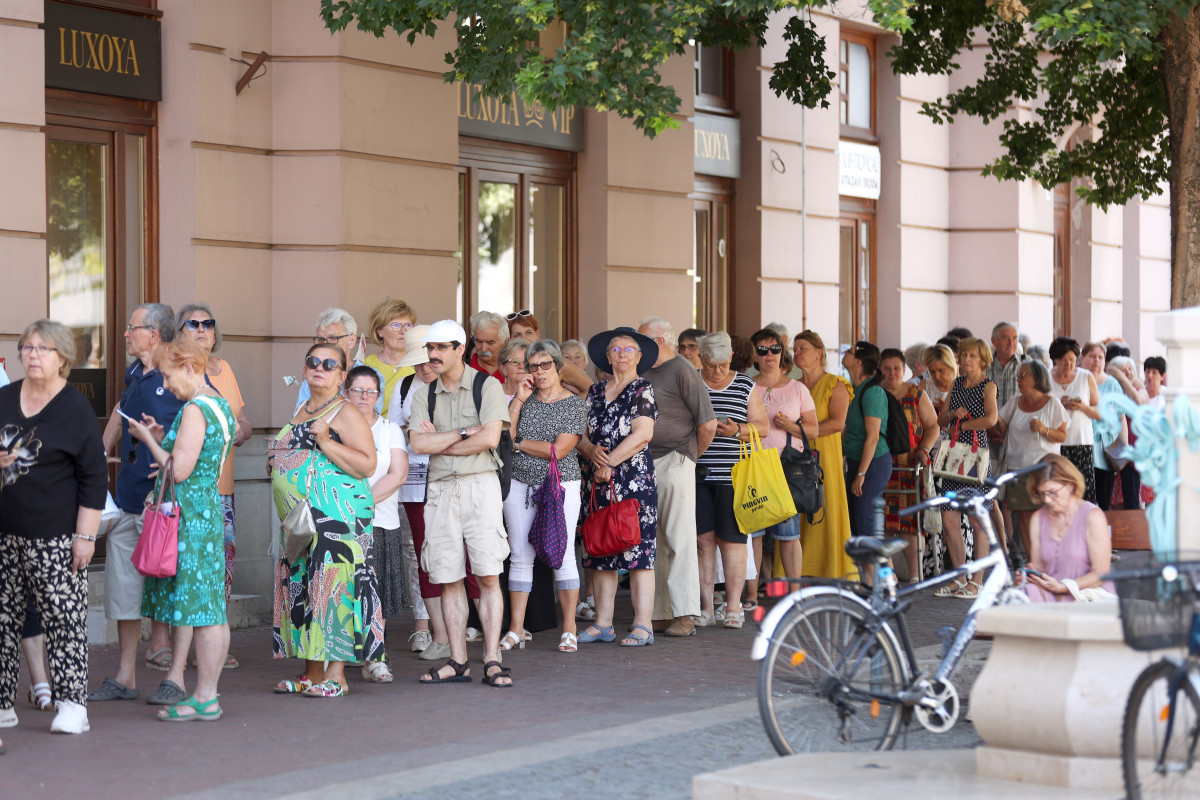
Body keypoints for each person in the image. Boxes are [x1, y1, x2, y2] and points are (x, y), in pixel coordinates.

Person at [0, 320, 106, 738]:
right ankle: (3, 703)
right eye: (27, 347)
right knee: (3, 620)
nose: (33, 355)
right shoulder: (4, 398)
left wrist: (85, 537)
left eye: (43, 349)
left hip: (56, 536)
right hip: (5, 533)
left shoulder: (75, 409)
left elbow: (94, 478)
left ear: (63, 358)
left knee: (64, 620)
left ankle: (72, 704)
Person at [127, 341, 236, 721]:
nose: (167, 385)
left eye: (170, 375)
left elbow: (178, 470)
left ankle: (205, 697)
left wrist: (148, 440)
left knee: (201, 611)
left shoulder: (194, 408)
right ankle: (208, 693)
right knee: (213, 610)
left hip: (188, 518)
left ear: (189, 367)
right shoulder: (220, 405)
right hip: (206, 513)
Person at [267, 343, 381, 698]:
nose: (319, 368)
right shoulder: (302, 407)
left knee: (334, 590)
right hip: (303, 521)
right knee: (307, 587)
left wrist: (327, 442)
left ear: (342, 375)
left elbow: (367, 463)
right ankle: (311, 673)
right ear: (304, 369)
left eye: (329, 364)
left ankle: (338, 676)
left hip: (338, 518)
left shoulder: (345, 412)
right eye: (313, 362)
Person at [408, 320, 513, 687]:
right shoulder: (423, 393)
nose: (432, 355)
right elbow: (419, 445)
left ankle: (492, 658)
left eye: (440, 348)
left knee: (487, 575)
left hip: (480, 485)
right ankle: (458, 659)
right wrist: (466, 433)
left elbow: (489, 439)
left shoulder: (488, 385)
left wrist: (445, 441)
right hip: (439, 491)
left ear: (459, 348)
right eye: (429, 348)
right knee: (448, 577)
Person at [90, 303, 182, 703]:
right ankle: (124, 676)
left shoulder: (179, 374)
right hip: (128, 498)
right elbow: (119, 412)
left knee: (174, 590)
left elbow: (199, 428)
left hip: (162, 505)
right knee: (124, 590)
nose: (126, 335)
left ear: (154, 335)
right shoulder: (134, 373)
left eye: (132, 329)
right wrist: (95, 455)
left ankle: (175, 677)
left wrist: (167, 456)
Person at [388, 325, 480, 663]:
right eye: (419, 362)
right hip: (414, 483)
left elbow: (478, 432)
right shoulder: (404, 388)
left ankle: (480, 632)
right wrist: (417, 432)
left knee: (467, 552)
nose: (425, 367)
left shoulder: (466, 385)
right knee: (426, 557)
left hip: (457, 478)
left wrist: (439, 434)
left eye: (429, 359)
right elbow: (397, 435)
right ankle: (440, 635)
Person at [176, 303, 250, 670]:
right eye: (194, 323)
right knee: (190, 571)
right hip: (190, 491)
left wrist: (241, 430)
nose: (203, 329)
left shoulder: (225, 370)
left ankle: (213, 646)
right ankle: (180, 652)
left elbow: (241, 419)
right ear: (180, 332)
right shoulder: (179, 374)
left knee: (221, 569)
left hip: (223, 487)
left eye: (209, 323)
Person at [501, 340, 587, 653]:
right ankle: (516, 629)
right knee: (520, 555)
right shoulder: (524, 400)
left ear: (558, 366)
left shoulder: (574, 404)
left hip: (560, 486)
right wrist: (519, 399)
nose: (539, 372)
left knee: (562, 556)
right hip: (519, 485)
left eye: (545, 365)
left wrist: (519, 443)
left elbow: (559, 450)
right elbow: (503, 436)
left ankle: (569, 629)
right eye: (533, 366)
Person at [577, 327, 659, 647]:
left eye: (629, 349)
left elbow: (643, 434)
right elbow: (580, 435)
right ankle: (603, 623)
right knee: (600, 550)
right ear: (607, 357)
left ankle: (642, 625)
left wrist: (608, 462)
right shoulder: (595, 391)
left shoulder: (643, 389)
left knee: (637, 552)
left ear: (638, 357)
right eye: (616, 349)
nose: (622, 354)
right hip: (596, 480)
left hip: (633, 482)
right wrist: (589, 451)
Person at [637, 316, 716, 637]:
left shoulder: (682, 369)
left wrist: (689, 456)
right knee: (652, 539)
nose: (636, 347)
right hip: (643, 460)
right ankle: (658, 612)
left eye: (642, 341)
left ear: (659, 341)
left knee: (680, 537)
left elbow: (707, 423)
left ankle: (685, 613)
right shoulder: (643, 370)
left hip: (676, 458)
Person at [694, 332, 767, 629]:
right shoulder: (693, 381)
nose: (717, 371)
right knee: (702, 541)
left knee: (734, 541)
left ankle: (734, 607)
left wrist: (738, 430)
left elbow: (762, 428)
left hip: (734, 476)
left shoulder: (745, 384)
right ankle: (706, 607)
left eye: (723, 365)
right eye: (712, 365)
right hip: (698, 473)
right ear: (701, 359)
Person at [346, 365, 409, 683]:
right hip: (341, 523)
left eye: (370, 391)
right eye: (357, 390)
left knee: (374, 596)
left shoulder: (389, 430)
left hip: (379, 523)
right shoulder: (335, 428)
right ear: (346, 392)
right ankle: (345, 652)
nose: (364, 397)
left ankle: (375, 659)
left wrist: (362, 503)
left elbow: (398, 474)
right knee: (345, 593)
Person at [749, 327, 818, 591]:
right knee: (754, 535)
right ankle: (751, 596)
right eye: (763, 350)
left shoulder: (797, 388)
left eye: (774, 349)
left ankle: (795, 593)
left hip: (786, 466)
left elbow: (814, 429)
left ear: (782, 353)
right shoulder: (747, 386)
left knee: (789, 534)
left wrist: (790, 426)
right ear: (755, 356)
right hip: (755, 467)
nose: (769, 355)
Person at [933, 337, 999, 599]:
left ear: (982, 359)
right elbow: (940, 418)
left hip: (975, 455)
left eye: (972, 356)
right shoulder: (957, 383)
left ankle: (977, 580)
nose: (966, 360)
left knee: (977, 519)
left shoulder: (988, 385)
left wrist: (963, 426)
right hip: (954, 458)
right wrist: (952, 416)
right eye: (963, 356)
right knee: (949, 519)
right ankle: (960, 577)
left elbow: (991, 419)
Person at [792, 330, 857, 580]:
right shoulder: (794, 385)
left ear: (818, 353)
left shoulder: (834, 384)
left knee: (825, 505)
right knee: (796, 508)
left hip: (824, 456)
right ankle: (799, 571)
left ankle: (830, 569)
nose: (797, 353)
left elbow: (838, 423)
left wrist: (799, 430)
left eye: (802, 349)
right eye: (795, 349)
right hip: (796, 456)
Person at [994, 359, 1069, 560]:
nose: (1018, 379)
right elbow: (1000, 429)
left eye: (1023, 375)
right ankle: (1027, 559)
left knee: (1041, 515)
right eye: (1019, 375)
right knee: (1022, 515)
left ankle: (1042, 557)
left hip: (1042, 469)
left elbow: (1062, 435)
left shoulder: (1051, 403)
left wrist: (1043, 429)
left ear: (1037, 378)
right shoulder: (1015, 402)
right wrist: (997, 421)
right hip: (1017, 467)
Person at [879, 348, 939, 582]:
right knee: (881, 523)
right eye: (887, 368)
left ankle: (916, 574)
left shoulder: (916, 394)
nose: (892, 373)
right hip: (881, 466)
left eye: (896, 368)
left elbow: (933, 426)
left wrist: (924, 449)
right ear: (880, 371)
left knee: (911, 523)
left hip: (909, 466)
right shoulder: (875, 393)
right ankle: (889, 574)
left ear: (904, 370)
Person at [1023, 455, 1115, 602]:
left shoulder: (1092, 516)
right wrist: (1029, 576)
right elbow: (1038, 569)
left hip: (1088, 593)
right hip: (1052, 591)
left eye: (1053, 493)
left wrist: (1063, 586)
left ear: (1070, 485)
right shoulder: (1037, 518)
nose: (1046, 500)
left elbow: (1100, 573)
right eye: (1041, 493)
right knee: (1022, 594)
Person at [841, 341, 892, 540]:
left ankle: (884, 572)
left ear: (858, 361)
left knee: (865, 524)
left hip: (873, 463)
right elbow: (849, 430)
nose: (845, 353)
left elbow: (873, 437)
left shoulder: (873, 392)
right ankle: (884, 571)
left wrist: (861, 474)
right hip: (856, 461)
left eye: (850, 352)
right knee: (858, 523)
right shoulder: (854, 389)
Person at [295, 307, 380, 414]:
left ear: (352, 341)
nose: (326, 344)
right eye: (321, 339)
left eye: (333, 338)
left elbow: (371, 420)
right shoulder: (313, 377)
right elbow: (300, 421)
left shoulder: (372, 377)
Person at [1048, 336, 1099, 503]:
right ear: (1055, 359)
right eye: (1064, 360)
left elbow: (1099, 412)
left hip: (1081, 442)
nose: (1069, 365)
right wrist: (1057, 404)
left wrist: (1083, 407)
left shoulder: (1085, 377)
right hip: (1055, 444)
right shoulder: (1046, 378)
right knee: (1058, 492)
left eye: (1072, 360)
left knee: (1083, 492)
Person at [363, 298, 417, 412]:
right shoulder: (365, 366)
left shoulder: (421, 365)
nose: (404, 331)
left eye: (408, 325)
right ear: (380, 331)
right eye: (396, 325)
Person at [469, 310, 509, 383]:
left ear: (505, 342)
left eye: (490, 343)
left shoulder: (516, 369)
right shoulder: (463, 370)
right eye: (479, 342)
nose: (483, 349)